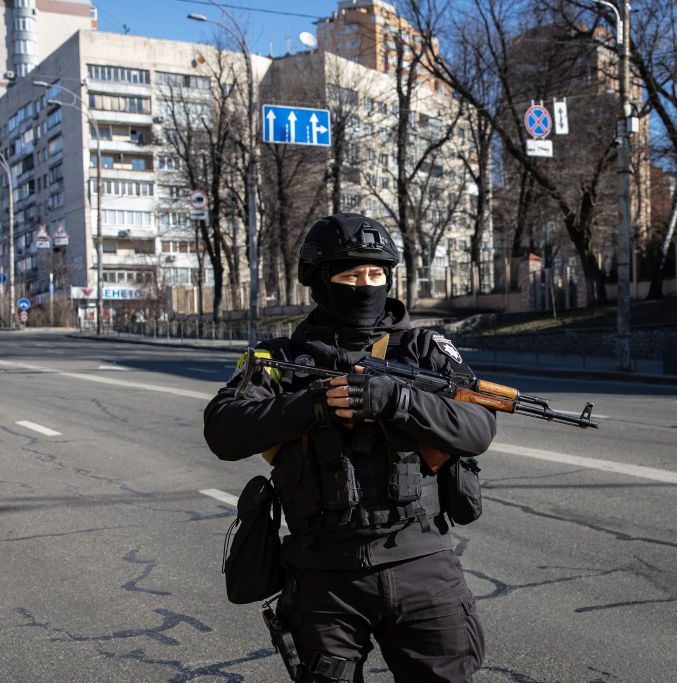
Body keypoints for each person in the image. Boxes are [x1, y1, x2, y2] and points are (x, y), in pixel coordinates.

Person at [204, 213, 494, 682]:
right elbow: (223, 430)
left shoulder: (422, 349)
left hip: (420, 562)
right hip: (322, 577)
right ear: (319, 282)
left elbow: (478, 426)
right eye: (349, 275)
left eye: (376, 275)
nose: (365, 285)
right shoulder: (277, 360)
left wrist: (399, 400)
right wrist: (316, 404)